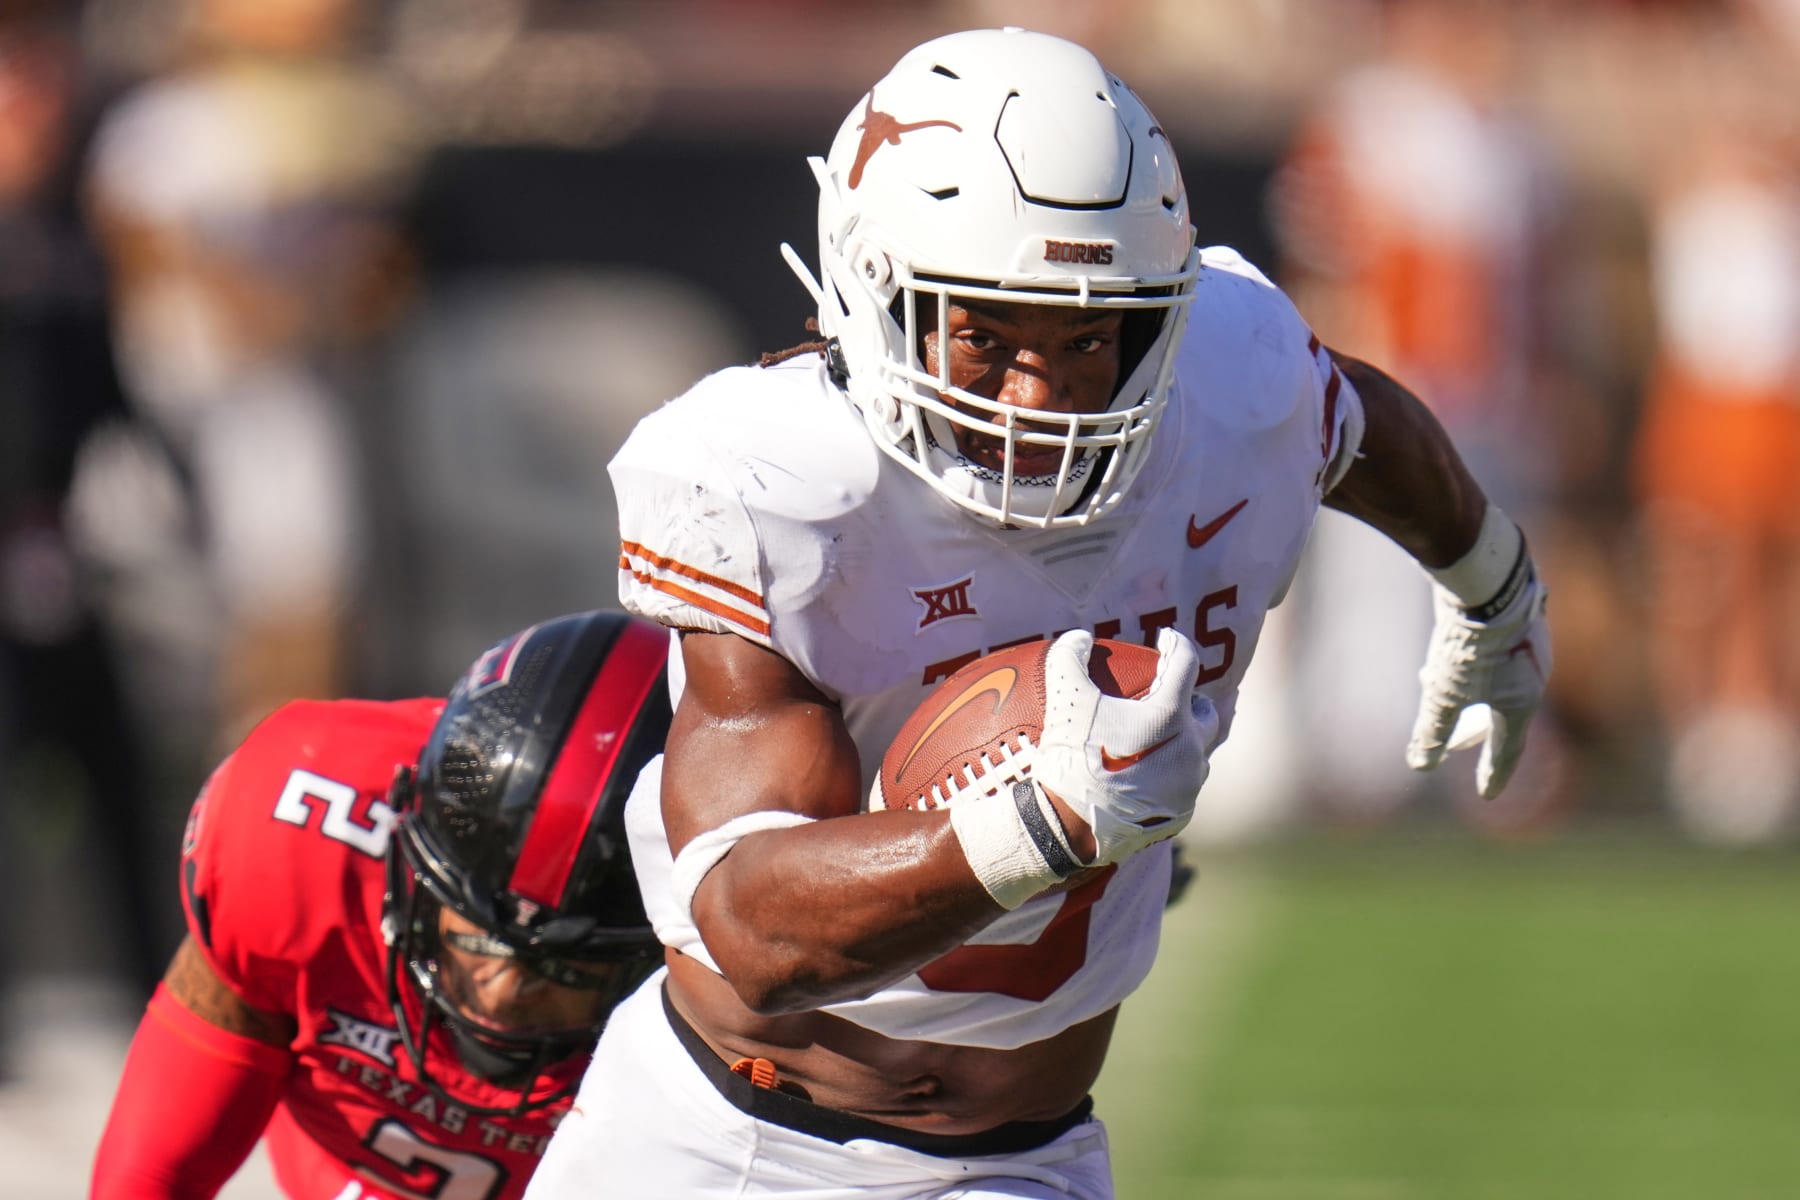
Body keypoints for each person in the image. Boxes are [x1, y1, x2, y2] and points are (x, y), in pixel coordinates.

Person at [527, 27, 1554, 1200]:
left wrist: (1493, 583)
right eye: (986, 334)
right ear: (874, 291)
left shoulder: (1230, 378)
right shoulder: (778, 485)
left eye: (1088, 335)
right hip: (716, 1137)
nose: (1044, 396)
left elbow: (1355, 424)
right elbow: (754, 932)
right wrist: (1045, 823)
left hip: (1016, 1159)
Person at [91, 610, 671, 1200]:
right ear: (412, 863)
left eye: (562, 970)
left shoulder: (735, 972)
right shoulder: (298, 845)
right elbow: (147, 1180)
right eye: (475, 937)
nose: (499, 991)